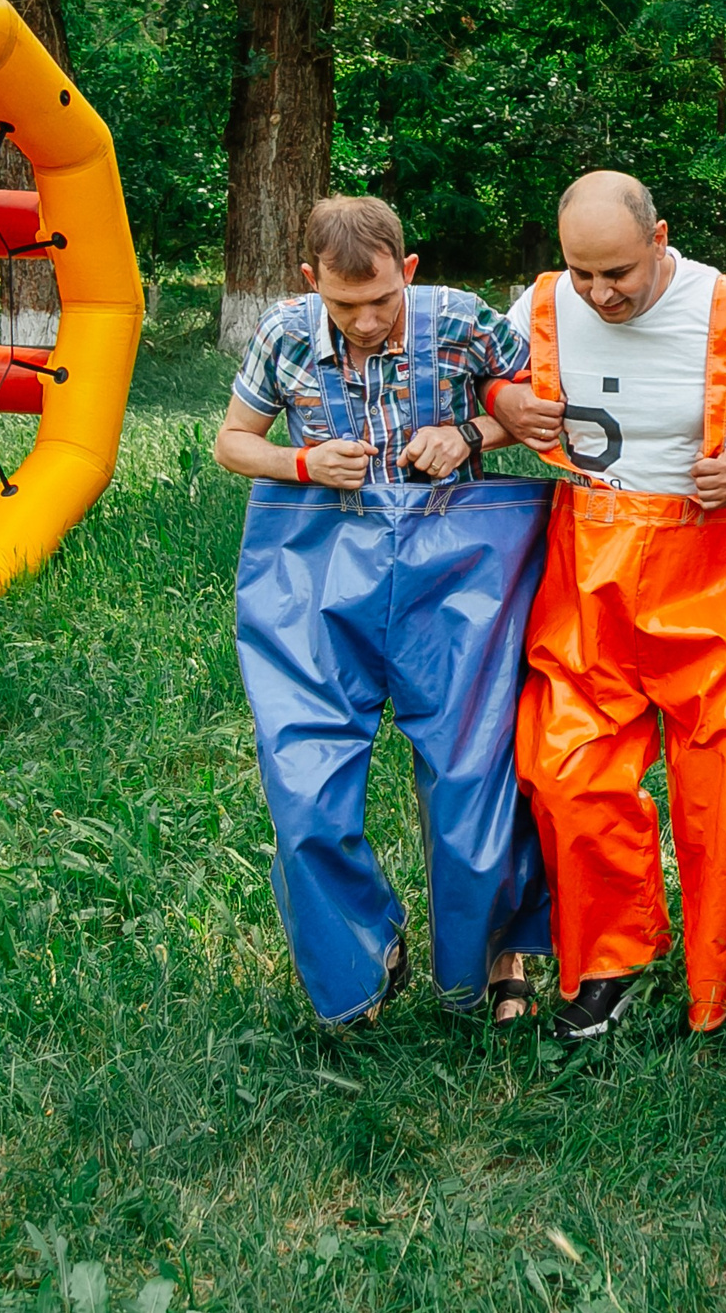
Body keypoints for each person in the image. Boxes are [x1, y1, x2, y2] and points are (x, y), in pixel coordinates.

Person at [486, 170, 726, 1040]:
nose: (600, 294)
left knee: (723, 782)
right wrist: (503, 401)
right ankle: (608, 962)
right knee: (568, 768)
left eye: (619, 273)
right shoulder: (541, 304)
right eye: (583, 273)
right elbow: (490, 382)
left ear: (659, 239)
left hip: (713, 566)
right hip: (588, 562)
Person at [214, 196, 551, 1026]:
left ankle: (492, 964)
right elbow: (232, 442)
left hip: (458, 570)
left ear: (409, 270)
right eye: (344, 304)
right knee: (302, 778)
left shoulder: (464, 322)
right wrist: (301, 462)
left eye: (380, 300)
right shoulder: (284, 333)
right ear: (310, 281)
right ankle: (361, 957)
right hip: (318, 569)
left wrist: (471, 434)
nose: (364, 322)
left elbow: (547, 408)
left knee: (473, 772)